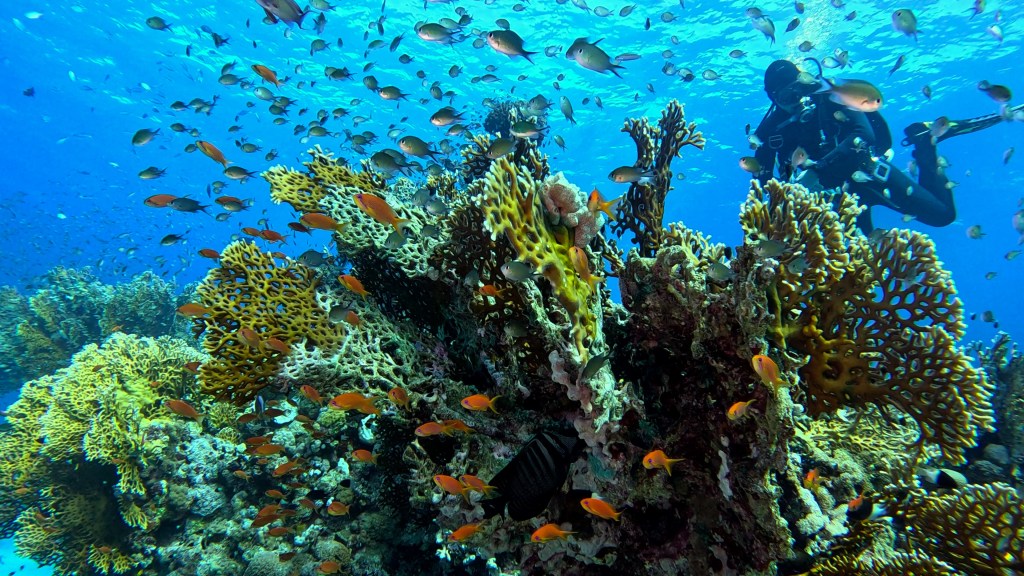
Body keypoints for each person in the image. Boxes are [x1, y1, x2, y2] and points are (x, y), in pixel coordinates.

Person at [752, 59, 1017, 233]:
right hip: (832, 199)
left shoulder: (831, 97)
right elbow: (761, 179)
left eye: (799, 88)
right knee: (857, 262)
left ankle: (926, 141)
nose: (798, 99)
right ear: (773, 99)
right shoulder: (769, 130)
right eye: (787, 95)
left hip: (867, 173)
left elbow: (863, 133)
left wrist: (818, 170)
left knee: (943, 216)